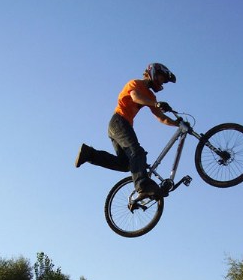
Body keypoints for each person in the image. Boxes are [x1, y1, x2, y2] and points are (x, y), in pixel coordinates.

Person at [74, 63, 178, 198]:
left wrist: (177, 123)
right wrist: (156, 104)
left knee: (126, 164)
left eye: (164, 81)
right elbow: (136, 97)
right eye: (161, 78)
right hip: (118, 122)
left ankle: (89, 154)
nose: (162, 82)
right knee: (137, 152)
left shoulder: (151, 96)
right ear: (153, 73)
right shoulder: (135, 83)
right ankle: (143, 186)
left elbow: (161, 118)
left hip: (122, 125)